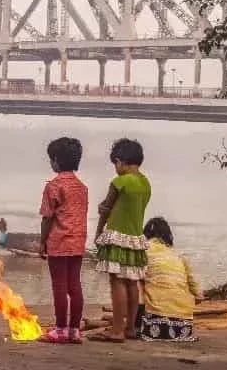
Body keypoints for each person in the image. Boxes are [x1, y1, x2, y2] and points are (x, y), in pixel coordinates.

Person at [90, 138, 152, 343]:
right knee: (132, 282)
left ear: (119, 161)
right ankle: (130, 328)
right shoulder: (145, 183)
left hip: (117, 236)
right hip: (135, 238)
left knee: (116, 281)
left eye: (115, 164)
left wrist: (98, 234)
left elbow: (105, 210)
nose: (115, 169)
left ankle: (116, 330)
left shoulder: (120, 181)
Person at [37, 137, 89, 344]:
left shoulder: (53, 186)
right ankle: (74, 330)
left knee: (59, 285)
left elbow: (47, 218)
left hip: (59, 242)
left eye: (52, 158)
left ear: (57, 160)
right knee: (74, 285)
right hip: (78, 241)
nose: (51, 162)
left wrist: (42, 241)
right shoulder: (82, 187)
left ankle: (60, 329)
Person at [137, 217, 203, 342]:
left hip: (153, 326)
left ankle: (135, 325)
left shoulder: (143, 252)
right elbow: (197, 289)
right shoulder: (179, 255)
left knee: (135, 280)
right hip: (183, 328)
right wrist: (196, 296)